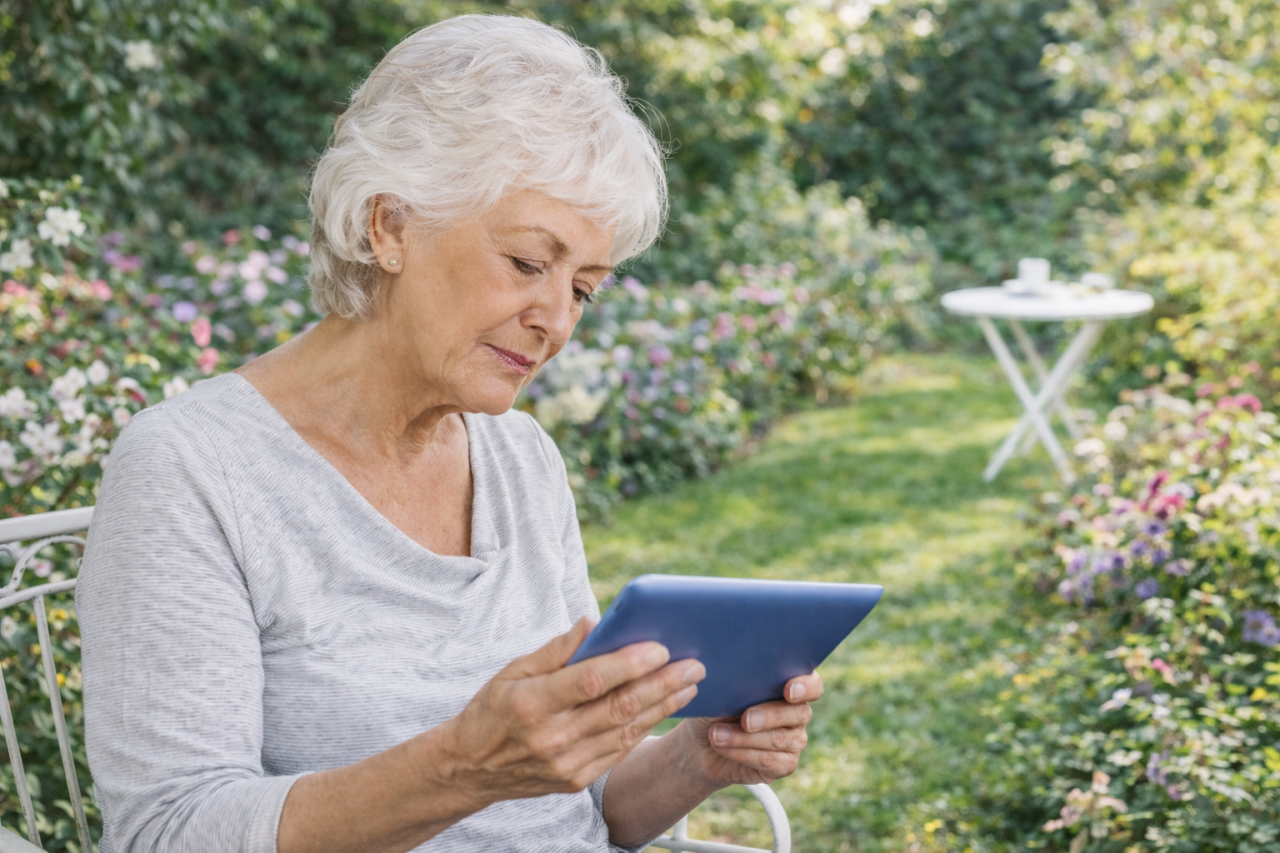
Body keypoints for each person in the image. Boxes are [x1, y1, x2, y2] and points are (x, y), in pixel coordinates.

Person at [76, 14, 821, 853]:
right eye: (529, 264)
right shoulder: (190, 469)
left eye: (585, 287)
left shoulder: (520, 458)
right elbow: (167, 833)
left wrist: (700, 753)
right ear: (388, 227)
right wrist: (466, 767)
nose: (554, 321)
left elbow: (579, 807)